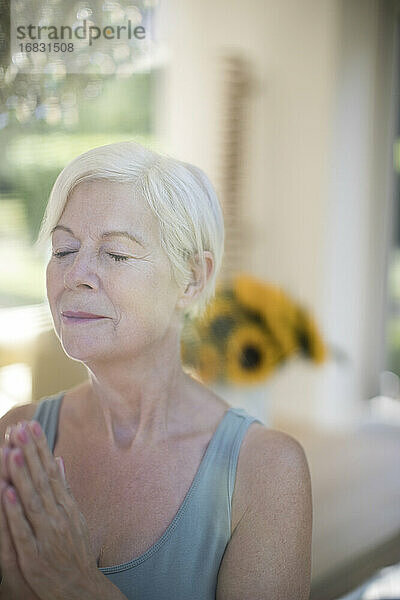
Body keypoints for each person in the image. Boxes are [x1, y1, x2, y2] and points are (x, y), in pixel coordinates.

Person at [0, 141, 312, 600]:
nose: (75, 274)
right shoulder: (17, 437)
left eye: (117, 255)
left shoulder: (266, 472)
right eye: (64, 249)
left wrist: (81, 588)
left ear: (192, 279)